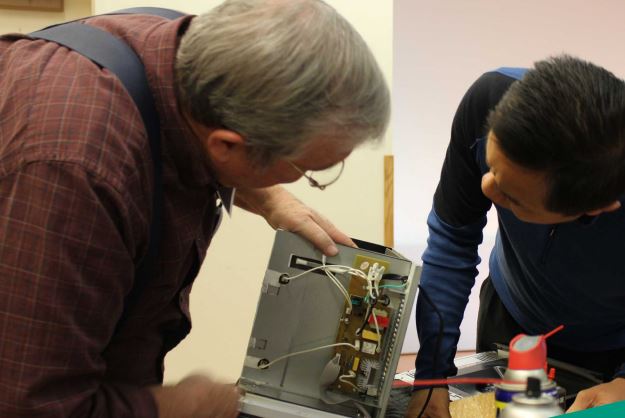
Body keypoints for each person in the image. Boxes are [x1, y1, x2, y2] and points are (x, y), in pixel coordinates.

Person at [0, 1, 390, 417]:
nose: (301, 181)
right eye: (308, 170)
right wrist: (186, 405)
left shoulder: (184, 52)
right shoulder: (75, 172)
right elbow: (31, 405)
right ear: (226, 145)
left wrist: (268, 195)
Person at [405, 55, 625, 417]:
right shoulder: (489, 99)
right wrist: (431, 377)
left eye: (511, 197)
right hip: (512, 316)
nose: (487, 187)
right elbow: (452, 244)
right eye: (491, 167)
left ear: (596, 207)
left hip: (611, 345)